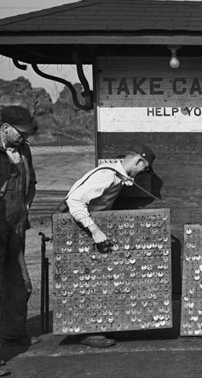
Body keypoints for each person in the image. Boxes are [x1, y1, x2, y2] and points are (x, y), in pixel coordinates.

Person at [64, 143, 155, 347]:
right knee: (85, 282)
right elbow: (75, 201)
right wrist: (95, 230)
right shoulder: (107, 176)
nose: (143, 173)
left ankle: (96, 327)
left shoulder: (116, 176)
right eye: (145, 168)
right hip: (82, 229)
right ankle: (87, 332)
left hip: (87, 228)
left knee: (95, 280)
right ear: (138, 161)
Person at [0, 106, 40, 372]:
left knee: (20, 284)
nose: (24, 138)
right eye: (21, 133)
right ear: (6, 128)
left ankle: (12, 334)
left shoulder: (24, 150)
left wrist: (26, 208)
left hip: (16, 227)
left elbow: (30, 185)